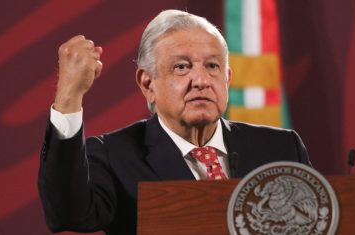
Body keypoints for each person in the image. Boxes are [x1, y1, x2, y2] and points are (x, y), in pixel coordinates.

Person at [38, 9, 310, 235]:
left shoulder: (282, 148)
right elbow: (67, 213)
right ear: (148, 84)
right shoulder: (114, 155)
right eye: (182, 67)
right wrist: (69, 96)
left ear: (227, 79)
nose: (201, 80)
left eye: (212, 66)